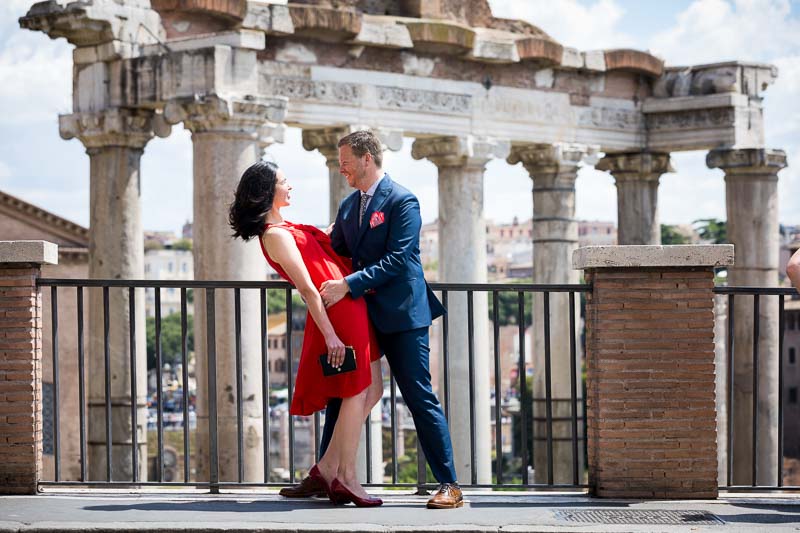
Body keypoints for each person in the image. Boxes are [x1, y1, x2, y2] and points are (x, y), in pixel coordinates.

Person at [320, 130, 462, 509]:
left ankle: (449, 484)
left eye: (346, 162)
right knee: (343, 394)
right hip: (363, 317)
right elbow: (336, 248)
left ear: (368, 158)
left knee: (419, 397)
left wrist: (347, 285)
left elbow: (399, 259)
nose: (342, 169)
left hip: (402, 314)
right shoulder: (349, 207)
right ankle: (325, 475)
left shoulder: (403, 200)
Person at [228, 160, 384, 507]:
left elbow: (325, 247)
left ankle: (328, 468)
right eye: (284, 182)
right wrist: (330, 336)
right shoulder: (275, 235)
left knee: (372, 388)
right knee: (358, 391)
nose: (290, 187)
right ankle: (346, 477)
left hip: (348, 302)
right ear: (268, 192)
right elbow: (309, 289)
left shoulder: (287, 227)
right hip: (336, 310)